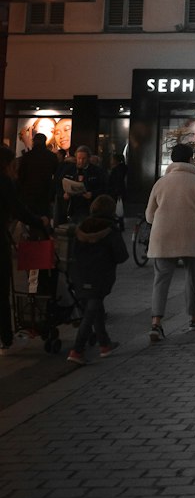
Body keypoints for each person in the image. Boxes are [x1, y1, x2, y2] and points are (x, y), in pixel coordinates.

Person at [145, 143, 195, 342]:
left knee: (161, 280)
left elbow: (149, 215)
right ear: (190, 160)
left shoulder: (161, 183)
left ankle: (156, 323)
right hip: (190, 238)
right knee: (193, 277)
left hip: (163, 238)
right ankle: (194, 317)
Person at [0, 145, 50, 355]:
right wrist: (40, 222)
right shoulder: (5, 182)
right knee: (2, 291)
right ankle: (5, 340)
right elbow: (19, 210)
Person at [66, 194, 126, 365]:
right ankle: (77, 350)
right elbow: (121, 256)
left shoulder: (81, 227)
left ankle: (105, 344)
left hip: (79, 275)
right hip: (100, 276)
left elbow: (73, 253)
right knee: (91, 311)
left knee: (95, 307)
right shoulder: (111, 230)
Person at [16, 131, 60, 217]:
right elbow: (56, 175)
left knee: (30, 215)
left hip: (29, 191)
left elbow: (21, 175)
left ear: (34, 141)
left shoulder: (27, 156)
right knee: (43, 215)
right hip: (45, 191)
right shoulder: (51, 156)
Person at [62, 145, 106, 224]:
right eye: (79, 158)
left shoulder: (97, 171)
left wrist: (92, 194)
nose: (81, 161)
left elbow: (104, 188)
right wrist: (64, 194)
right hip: (73, 207)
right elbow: (62, 183)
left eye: (83, 159)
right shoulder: (70, 170)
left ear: (89, 158)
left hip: (90, 208)